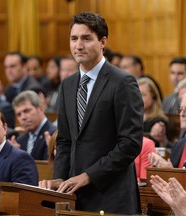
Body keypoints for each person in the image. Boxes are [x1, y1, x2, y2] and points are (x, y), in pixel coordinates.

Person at [39, 12, 143, 214]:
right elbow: (65, 141)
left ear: (102, 41)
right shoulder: (68, 85)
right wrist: (59, 178)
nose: (78, 45)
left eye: (86, 38)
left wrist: (89, 175)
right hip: (76, 195)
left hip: (112, 196)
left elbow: (130, 143)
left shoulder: (122, 82)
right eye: (74, 38)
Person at [11, 90, 56, 160]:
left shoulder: (54, 134)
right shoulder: (20, 140)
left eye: (27, 111)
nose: (23, 117)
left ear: (40, 109)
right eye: (19, 114)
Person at [148, 94, 186, 169]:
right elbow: (172, 173)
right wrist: (162, 165)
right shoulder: (179, 145)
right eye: (181, 109)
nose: (182, 114)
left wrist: (170, 169)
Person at [138, 77, 169, 147]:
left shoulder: (160, 122)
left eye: (143, 94)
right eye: (137, 94)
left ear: (153, 96)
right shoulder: (132, 118)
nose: (139, 98)